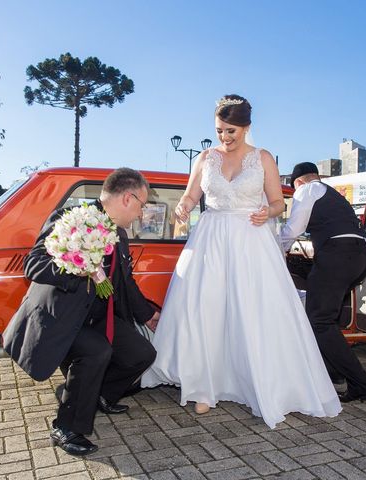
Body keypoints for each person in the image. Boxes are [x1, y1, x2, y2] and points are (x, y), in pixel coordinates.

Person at [141, 95, 342, 428]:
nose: (225, 137)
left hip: (251, 237)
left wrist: (268, 211)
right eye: (220, 130)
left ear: (247, 127)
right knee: (206, 308)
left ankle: (258, 382)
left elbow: (279, 203)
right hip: (211, 238)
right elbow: (192, 195)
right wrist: (184, 207)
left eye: (231, 131)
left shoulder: (262, 158)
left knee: (252, 309)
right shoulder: (205, 158)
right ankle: (205, 387)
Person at [3, 168, 159, 456]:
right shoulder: (74, 219)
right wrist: (76, 268)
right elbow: (32, 264)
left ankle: (99, 394)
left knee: (142, 354)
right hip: (61, 317)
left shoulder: (119, 235)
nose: (141, 213)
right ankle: (66, 427)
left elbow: (125, 282)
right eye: (142, 205)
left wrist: (147, 314)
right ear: (128, 198)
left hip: (96, 315)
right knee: (96, 351)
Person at [281, 162, 366, 403]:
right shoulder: (332, 194)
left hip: (338, 255)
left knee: (319, 321)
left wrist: (274, 250)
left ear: (298, 182)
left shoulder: (307, 190)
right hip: (361, 256)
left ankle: (361, 384)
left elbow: (294, 228)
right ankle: (333, 374)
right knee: (328, 320)